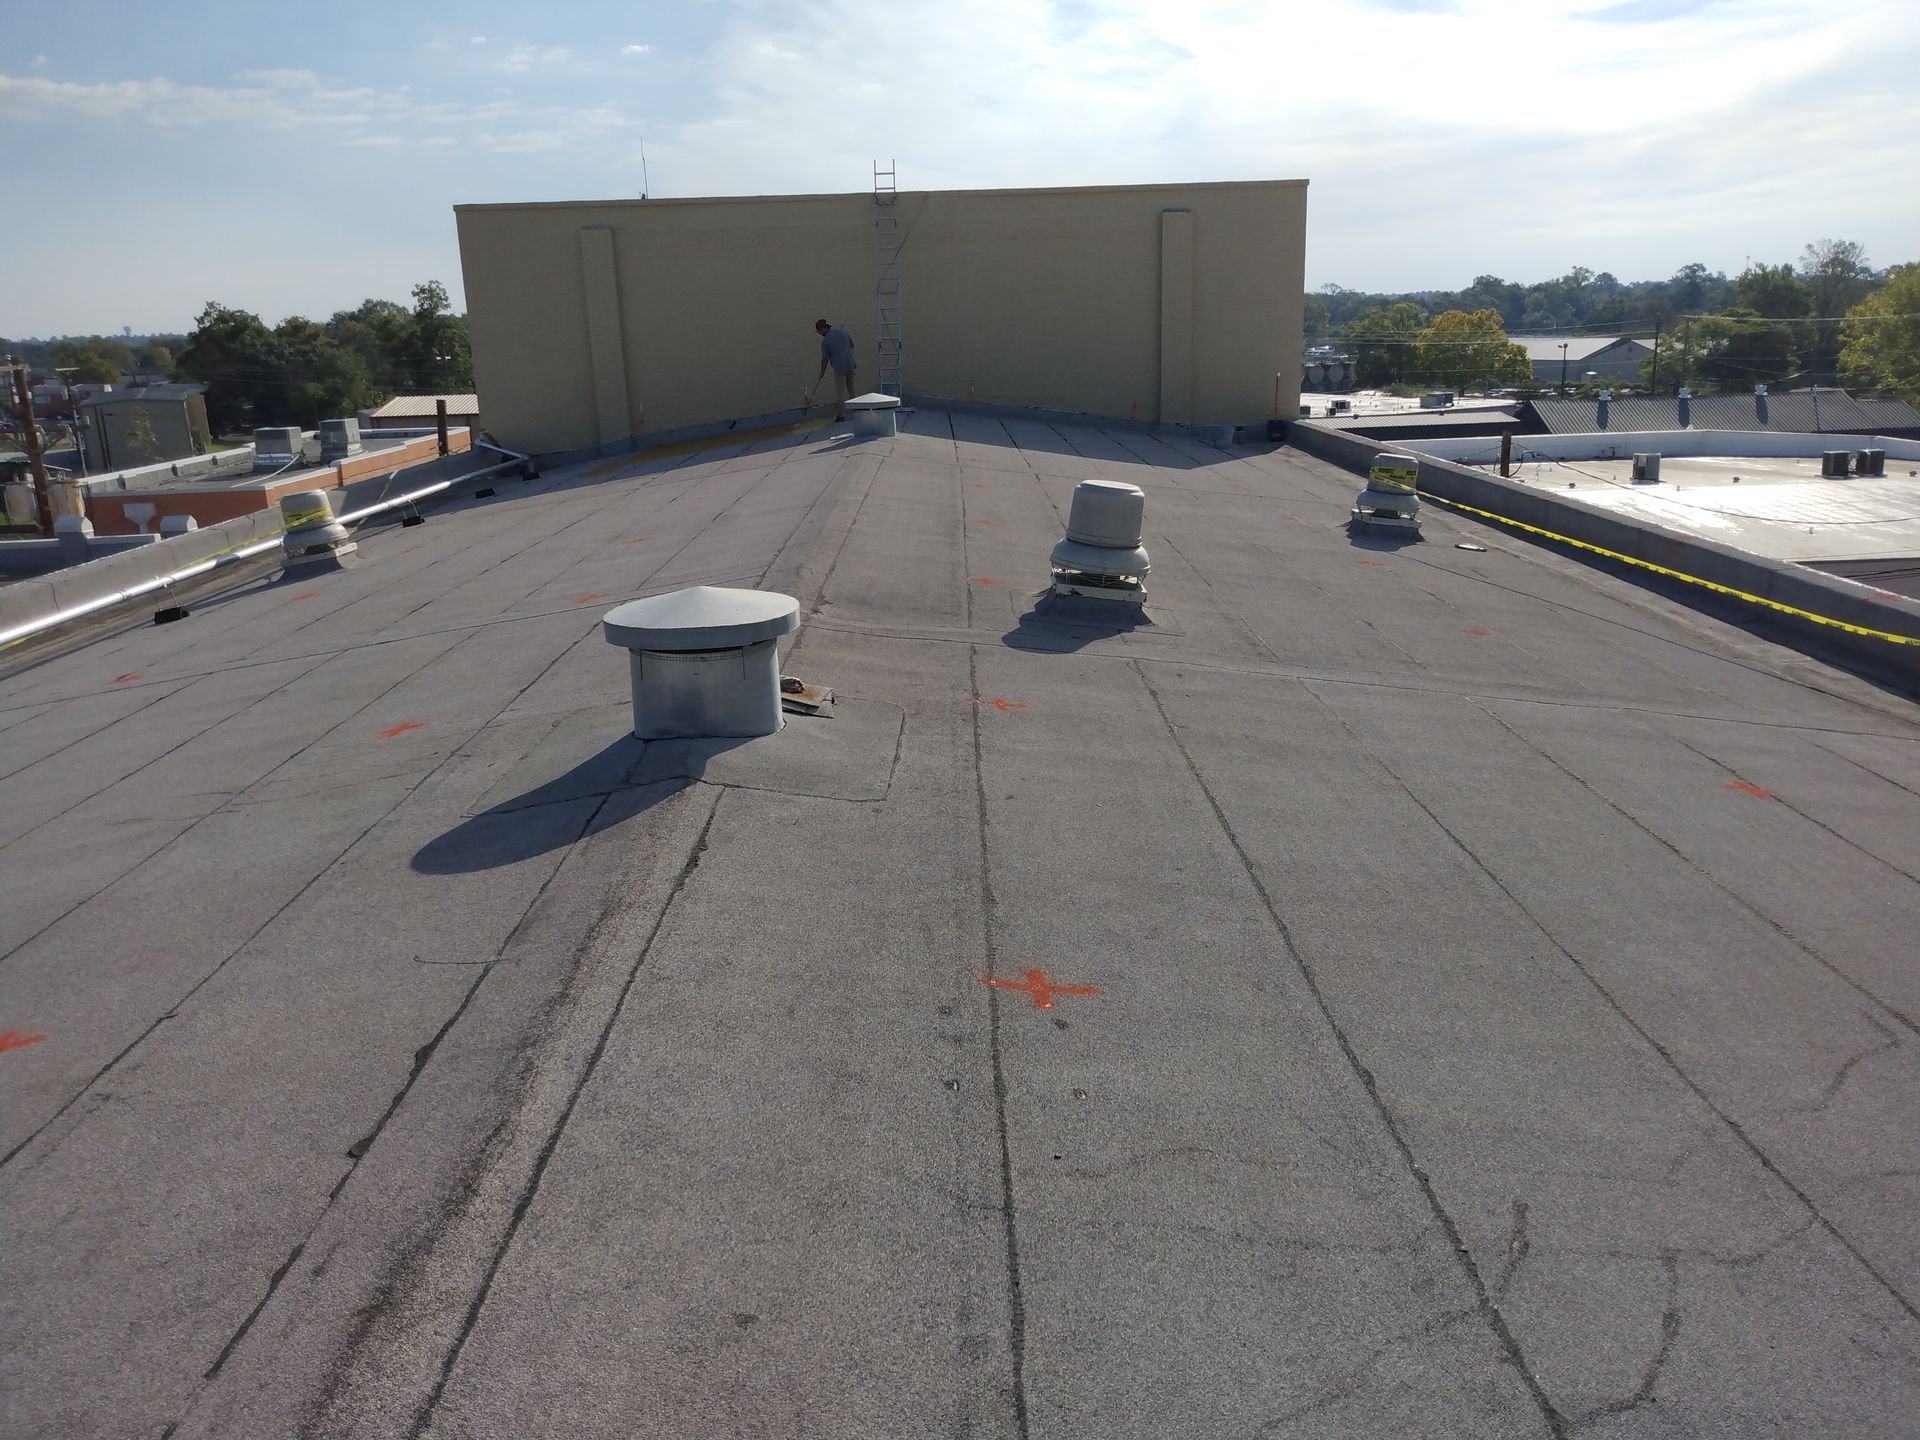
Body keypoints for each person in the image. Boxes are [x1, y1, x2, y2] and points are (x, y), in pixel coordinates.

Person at [814, 319, 857, 420]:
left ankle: (841, 415)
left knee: (840, 392)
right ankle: (857, 412)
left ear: (823, 329)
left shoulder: (825, 342)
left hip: (839, 368)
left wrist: (822, 372)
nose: (820, 334)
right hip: (851, 365)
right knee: (852, 390)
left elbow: (824, 359)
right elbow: (852, 345)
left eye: (819, 332)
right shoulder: (843, 331)